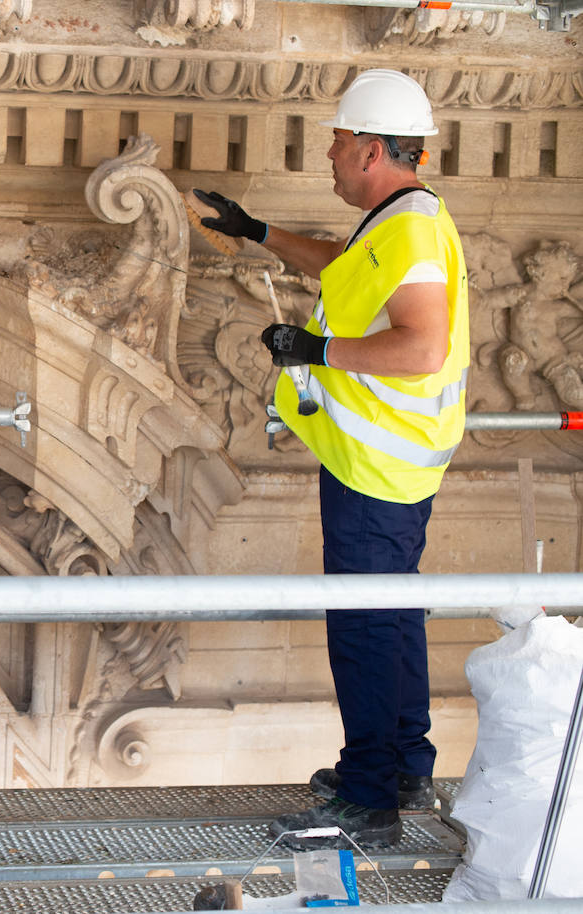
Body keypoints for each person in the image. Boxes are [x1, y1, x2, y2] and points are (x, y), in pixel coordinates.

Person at [195, 68, 469, 849]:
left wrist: (318, 349)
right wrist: (255, 232)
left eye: (340, 142)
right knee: (391, 608)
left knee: (364, 622)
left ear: (373, 150)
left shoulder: (409, 228)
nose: (330, 152)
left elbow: (421, 345)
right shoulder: (400, 218)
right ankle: (405, 763)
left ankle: (368, 797)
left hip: (378, 463)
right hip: (390, 457)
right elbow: (340, 268)